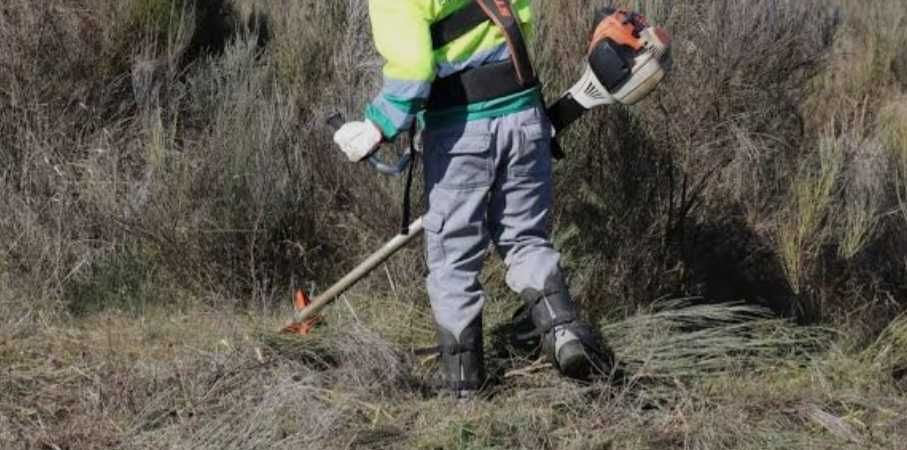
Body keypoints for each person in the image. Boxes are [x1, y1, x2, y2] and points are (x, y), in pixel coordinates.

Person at [333, 0, 608, 397]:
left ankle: (465, 389)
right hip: (524, 115)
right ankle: (566, 335)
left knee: (454, 260)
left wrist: (376, 126)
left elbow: (412, 69)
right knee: (526, 238)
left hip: (462, 129)